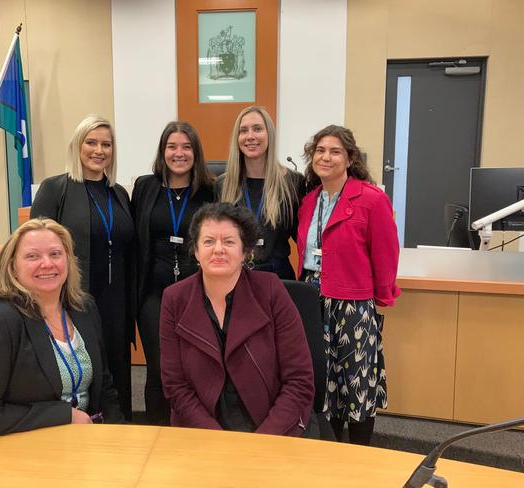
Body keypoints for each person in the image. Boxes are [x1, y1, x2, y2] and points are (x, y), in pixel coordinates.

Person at [0, 218, 123, 438]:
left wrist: (120, 435)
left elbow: (104, 387)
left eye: (55, 254)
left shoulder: (84, 309)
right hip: (25, 447)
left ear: (68, 261)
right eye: (32, 256)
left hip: (84, 443)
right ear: (13, 268)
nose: (47, 263)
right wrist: (65, 416)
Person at [159, 202, 315, 435]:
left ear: (246, 251)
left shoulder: (271, 292)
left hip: (271, 429)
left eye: (229, 242)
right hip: (202, 432)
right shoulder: (174, 299)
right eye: (209, 241)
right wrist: (217, 441)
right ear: (196, 250)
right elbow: (176, 386)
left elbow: (299, 380)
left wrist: (263, 440)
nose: (218, 249)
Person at [296, 125, 400, 445]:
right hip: (313, 300)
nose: (326, 157)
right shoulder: (310, 200)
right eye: (320, 151)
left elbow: (385, 251)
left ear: (350, 157)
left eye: (335, 151)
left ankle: (360, 454)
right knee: (324, 383)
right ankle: (331, 454)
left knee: (356, 384)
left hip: (352, 302)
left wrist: (381, 294)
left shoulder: (371, 199)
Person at [30, 115, 135, 420]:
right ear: (77, 145)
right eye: (91, 142)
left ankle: (120, 428)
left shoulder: (119, 194)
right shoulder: (55, 189)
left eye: (106, 144)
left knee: (116, 369)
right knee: (80, 367)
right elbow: (33, 248)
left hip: (115, 299)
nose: (98, 150)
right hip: (74, 297)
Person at [132, 121, 214, 425]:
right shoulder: (145, 187)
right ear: (162, 151)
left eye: (186, 147)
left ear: (196, 152)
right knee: (158, 369)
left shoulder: (210, 189)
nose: (179, 153)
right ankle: (157, 430)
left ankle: (195, 431)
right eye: (172, 146)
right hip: (155, 293)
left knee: (196, 368)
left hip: (200, 294)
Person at [216, 106, 304, 279]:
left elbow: (304, 239)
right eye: (243, 131)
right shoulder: (222, 184)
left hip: (279, 279)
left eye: (257, 129)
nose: (250, 136)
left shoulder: (293, 182)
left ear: (269, 134)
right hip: (234, 278)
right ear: (237, 138)